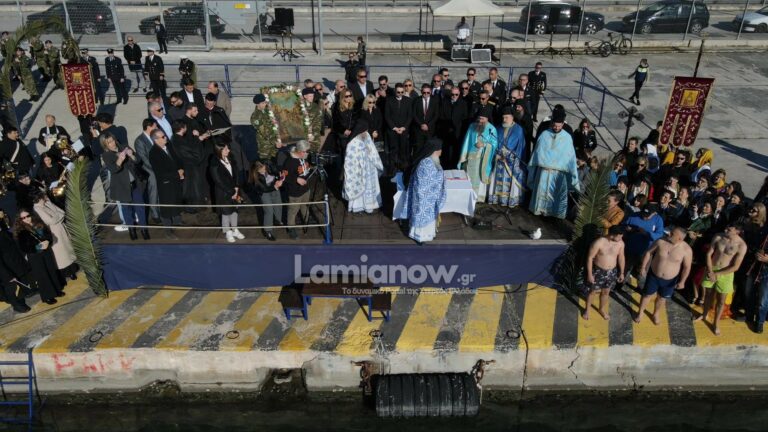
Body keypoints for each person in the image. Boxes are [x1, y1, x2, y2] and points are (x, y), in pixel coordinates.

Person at [694, 224, 748, 335]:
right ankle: (704, 315)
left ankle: (716, 323)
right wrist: (710, 271)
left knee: (721, 300)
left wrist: (716, 274)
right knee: (708, 295)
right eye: (726, 227)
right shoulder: (718, 236)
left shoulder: (742, 245)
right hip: (712, 269)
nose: (725, 230)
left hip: (726, 273)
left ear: (737, 231)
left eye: (729, 229)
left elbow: (735, 267)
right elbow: (709, 254)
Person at [527, 110, 580, 219]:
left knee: (555, 197)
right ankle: (540, 213)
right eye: (555, 125)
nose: (556, 128)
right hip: (544, 172)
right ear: (552, 123)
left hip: (558, 174)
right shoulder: (544, 134)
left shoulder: (567, 138)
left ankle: (554, 217)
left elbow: (570, 157)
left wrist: (573, 176)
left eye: (559, 126)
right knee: (541, 196)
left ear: (563, 124)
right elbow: (538, 151)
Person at [635, 227, 693, 324]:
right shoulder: (661, 241)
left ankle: (656, 314)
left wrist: (682, 281)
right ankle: (640, 312)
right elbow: (648, 253)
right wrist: (643, 267)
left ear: (679, 238)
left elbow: (687, 267)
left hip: (670, 280)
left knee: (662, 298)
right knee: (647, 295)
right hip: (654, 275)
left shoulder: (686, 250)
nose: (669, 234)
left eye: (672, 234)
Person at [398, 138, 447, 245]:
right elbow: (426, 181)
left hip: (428, 196)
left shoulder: (431, 160)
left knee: (427, 217)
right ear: (435, 150)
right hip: (424, 197)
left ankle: (428, 234)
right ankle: (419, 237)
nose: (441, 151)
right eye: (440, 149)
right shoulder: (426, 163)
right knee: (421, 216)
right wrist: (441, 177)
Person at [101, 133, 149, 241]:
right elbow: (114, 170)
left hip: (135, 184)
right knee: (127, 209)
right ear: (105, 145)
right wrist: (120, 159)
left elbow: (138, 160)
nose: (112, 143)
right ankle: (132, 231)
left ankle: (144, 230)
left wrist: (132, 155)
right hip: (122, 187)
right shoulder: (106, 155)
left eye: (113, 140)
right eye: (109, 142)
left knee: (140, 207)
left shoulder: (124, 146)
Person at [14, 210, 64, 305]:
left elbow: (48, 234)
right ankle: (48, 296)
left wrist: (48, 241)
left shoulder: (39, 223)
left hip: (46, 252)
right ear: (20, 220)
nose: (26, 218)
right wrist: (39, 247)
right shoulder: (21, 231)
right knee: (42, 275)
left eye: (28, 216)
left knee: (51, 270)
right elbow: (24, 247)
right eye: (23, 218)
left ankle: (57, 290)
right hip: (35, 256)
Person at [31, 191, 78, 280]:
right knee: (61, 253)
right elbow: (51, 221)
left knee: (67, 249)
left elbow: (61, 212)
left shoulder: (46, 204)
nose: (46, 197)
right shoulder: (38, 209)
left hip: (60, 228)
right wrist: (57, 216)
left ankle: (72, 268)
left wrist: (51, 205)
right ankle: (68, 272)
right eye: (44, 196)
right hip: (53, 232)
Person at [584, 225, 626, 320]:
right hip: (598, 271)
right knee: (592, 292)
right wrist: (590, 274)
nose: (621, 238)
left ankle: (601, 309)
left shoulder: (620, 243)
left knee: (606, 292)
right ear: (612, 235)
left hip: (612, 272)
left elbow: (621, 257)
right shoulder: (599, 242)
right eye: (619, 236)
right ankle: (587, 310)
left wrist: (622, 272)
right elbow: (590, 258)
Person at [148, 129, 184, 239]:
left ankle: (177, 221)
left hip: (175, 180)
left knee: (176, 200)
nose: (165, 138)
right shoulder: (154, 153)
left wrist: (181, 169)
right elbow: (160, 173)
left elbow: (177, 159)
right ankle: (168, 231)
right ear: (156, 140)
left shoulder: (168, 147)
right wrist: (177, 174)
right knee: (167, 208)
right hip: (166, 183)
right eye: (163, 137)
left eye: (165, 136)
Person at [489, 108, 526, 208]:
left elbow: (520, 147)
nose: (504, 120)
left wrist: (509, 157)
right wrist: (497, 154)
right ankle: (498, 198)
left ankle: (509, 200)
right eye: (503, 117)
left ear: (512, 117)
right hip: (499, 159)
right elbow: (494, 143)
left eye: (506, 117)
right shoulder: (498, 128)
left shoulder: (518, 130)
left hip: (511, 161)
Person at [458, 107, 496, 202]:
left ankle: (477, 197)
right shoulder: (472, 126)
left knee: (477, 177)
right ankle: (467, 195)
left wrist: (484, 144)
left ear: (487, 118)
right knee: (468, 176)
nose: (480, 121)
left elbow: (494, 144)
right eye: (479, 118)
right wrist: (464, 156)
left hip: (482, 159)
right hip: (470, 157)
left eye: (482, 119)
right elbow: (467, 140)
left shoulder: (492, 129)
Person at [343, 126, 383, 214]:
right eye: (364, 131)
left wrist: (372, 157)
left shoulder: (367, 137)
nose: (366, 133)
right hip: (358, 170)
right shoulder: (352, 142)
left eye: (366, 130)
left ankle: (370, 206)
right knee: (359, 187)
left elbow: (373, 151)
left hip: (369, 169)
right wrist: (363, 153)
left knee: (369, 188)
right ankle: (357, 207)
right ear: (359, 130)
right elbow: (350, 158)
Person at [171, 120, 208, 212]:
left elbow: (189, 146)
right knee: (192, 187)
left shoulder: (176, 138)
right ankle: (193, 207)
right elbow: (193, 151)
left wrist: (198, 138)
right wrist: (196, 137)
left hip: (187, 166)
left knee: (190, 187)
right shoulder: (178, 140)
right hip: (189, 166)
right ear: (182, 128)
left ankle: (192, 207)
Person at [210, 144, 244, 243]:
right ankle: (228, 231)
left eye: (228, 148)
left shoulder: (231, 159)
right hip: (223, 192)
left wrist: (236, 188)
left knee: (235, 210)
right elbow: (218, 181)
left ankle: (235, 229)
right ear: (219, 150)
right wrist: (231, 191)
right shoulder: (214, 163)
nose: (228, 150)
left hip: (235, 190)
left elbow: (236, 173)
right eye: (225, 149)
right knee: (226, 212)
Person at [0, 209, 32, 313]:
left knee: (22, 279)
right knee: (11, 285)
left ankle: (22, 296)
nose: (4, 215)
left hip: (13, 260)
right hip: (4, 266)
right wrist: (6, 274)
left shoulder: (3, 226)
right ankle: (16, 304)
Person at [283, 140, 312, 240]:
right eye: (306, 151)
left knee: (305, 206)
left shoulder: (304, 158)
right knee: (293, 211)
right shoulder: (289, 162)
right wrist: (296, 179)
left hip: (305, 189)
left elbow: (306, 169)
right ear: (300, 151)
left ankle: (306, 220)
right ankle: (291, 229)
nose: (308, 153)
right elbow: (284, 177)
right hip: (295, 192)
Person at [248, 161, 283, 242]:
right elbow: (264, 189)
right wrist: (275, 187)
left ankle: (277, 220)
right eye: (261, 169)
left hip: (274, 187)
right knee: (269, 210)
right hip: (264, 192)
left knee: (278, 205)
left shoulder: (269, 167)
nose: (264, 169)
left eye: (264, 167)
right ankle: (268, 231)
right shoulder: (256, 178)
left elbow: (277, 173)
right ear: (257, 170)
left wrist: (280, 178)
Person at [134, 119, 161, 222]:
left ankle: (161, 210)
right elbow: (144, 159)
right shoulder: (139, 140)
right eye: (155, 126)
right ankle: (155, 214)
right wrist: (156, 168)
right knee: (153, 191)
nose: (157, 128)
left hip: (159, 167)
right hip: (149, 170)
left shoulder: (155, 137)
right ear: (149, 127)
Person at [438, 85, 468, 169]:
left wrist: (457, 125)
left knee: (456, 150)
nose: (454, 96)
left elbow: (465, 117)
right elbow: (441, 116)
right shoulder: (445, 102)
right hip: (446, 130)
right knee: (446, 151)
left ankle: (454, 166)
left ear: (459, 94)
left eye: (456, 94)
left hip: (457, 132)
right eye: (452, 94)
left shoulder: (463, 103)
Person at [384, 83, 413, 173]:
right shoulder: (389, 100)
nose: (400, 94)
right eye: (398, 92)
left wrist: (404, 127)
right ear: (395, 91)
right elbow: (387, 116)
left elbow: (410, 116)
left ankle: (403, 168)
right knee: (393, 150)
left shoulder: (408, 101)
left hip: (404, 130)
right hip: (393, 130)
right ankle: (392, 169)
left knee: (403, 150)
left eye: (402, 92)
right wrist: (394, 128)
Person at [251, 94, 282, 162]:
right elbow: (264, 132)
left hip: (275, 143)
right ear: (257, 104)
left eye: (265, 102)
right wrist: (276, 142)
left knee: (274, 162)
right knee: (265, 163)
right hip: (265, 146)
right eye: (263, 103)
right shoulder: (255, 117)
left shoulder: (268, 111)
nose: (265, 104)